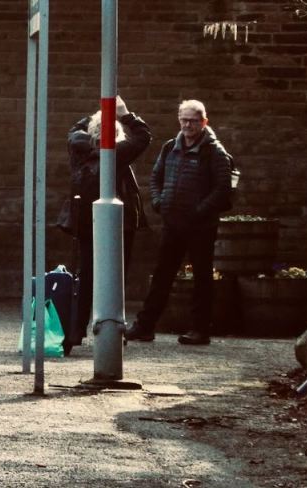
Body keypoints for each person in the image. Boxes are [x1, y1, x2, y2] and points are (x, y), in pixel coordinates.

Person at [126, 99, 233, 346]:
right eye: (183, 120)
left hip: (201, 226)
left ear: (204, 122)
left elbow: (223, 189)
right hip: (173, 223)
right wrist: (158, 202)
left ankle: (200, 330)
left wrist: (199, 211)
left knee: (202, 278)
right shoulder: (169, 147)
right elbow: (156, 177)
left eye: (193, 121)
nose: (187, 125)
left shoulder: (215, 152)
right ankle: (145, 326)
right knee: (162, 276)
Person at [65, 96, 151, 345]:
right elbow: (143, 136)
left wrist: (97, 115)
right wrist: (124, 114)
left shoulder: (77, 148)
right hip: (118, 223)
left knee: (86, 274)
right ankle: (113, 327)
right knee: (116, 276)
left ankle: (77, 329)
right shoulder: (115, 153)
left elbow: (74, 129)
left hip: (86, 220)